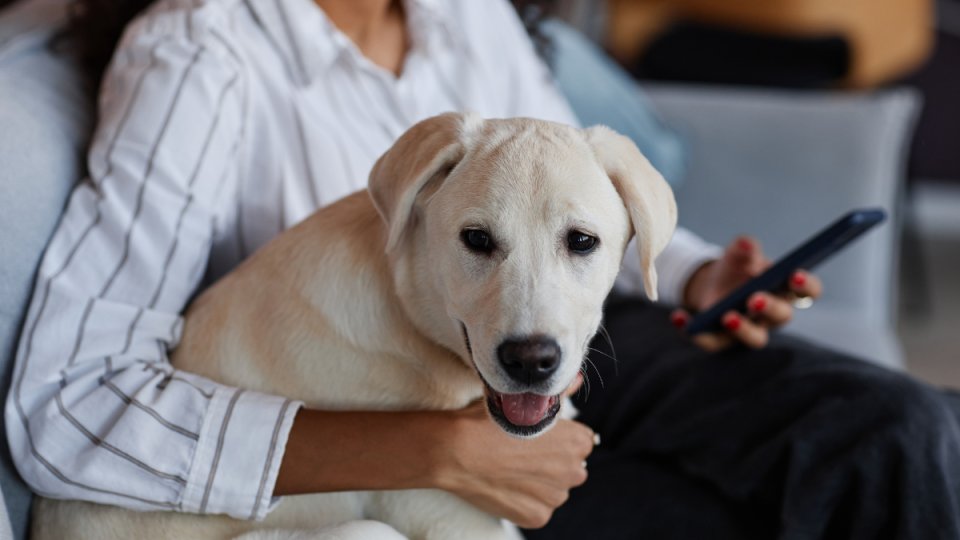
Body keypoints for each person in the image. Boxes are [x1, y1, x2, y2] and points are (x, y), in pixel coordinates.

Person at [5, 0, 960, 538]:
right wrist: (424, 452)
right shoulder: (200, 51)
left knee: (904, 428)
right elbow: (69, 401)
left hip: (588, 336)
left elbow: (570, 185)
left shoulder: (462, 9)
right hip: (392, 398)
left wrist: (700, 272)